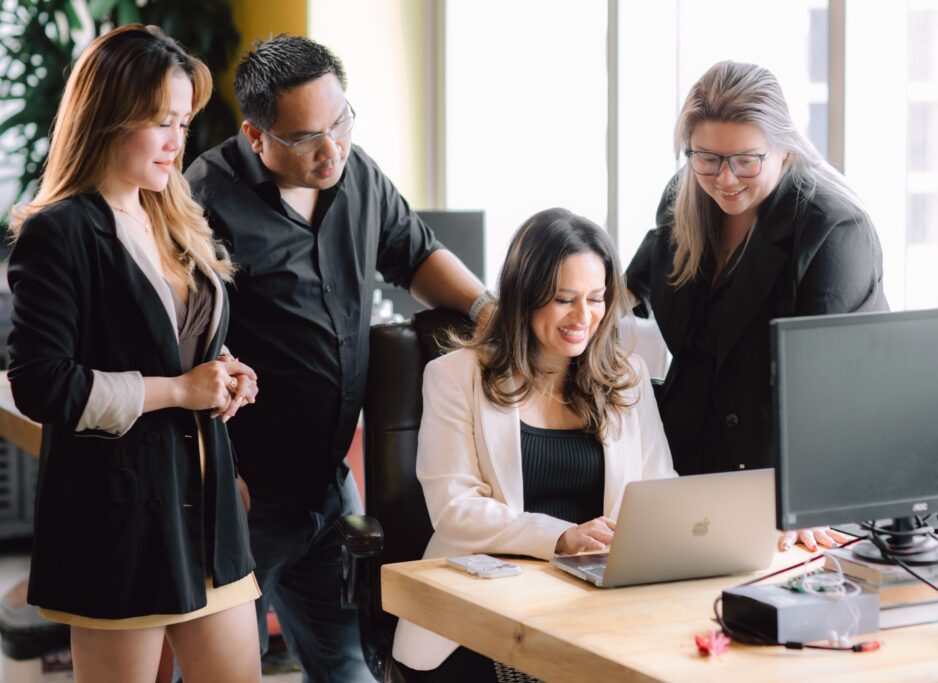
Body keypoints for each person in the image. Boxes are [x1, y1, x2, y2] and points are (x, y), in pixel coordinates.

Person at [185, 35, 491, 682]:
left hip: (328, 486)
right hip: (245, 498)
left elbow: (415, 255)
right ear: (257, 134)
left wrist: (489, 311)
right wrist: (219, 470)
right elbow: (183, 347)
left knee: (350, 667)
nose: (332, 150)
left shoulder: (358, 175)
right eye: (306, 138)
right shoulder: (205, 200)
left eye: (341, 122)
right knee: (215, 670)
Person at [6, 25, 262, 683]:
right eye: (160, 121)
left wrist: (222, 369)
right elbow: (42, 383)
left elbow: (177, 333)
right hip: (117, 518)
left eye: (182, 120)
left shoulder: (172, 213)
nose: (179, 140)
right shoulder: (58, 231)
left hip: (207, 509)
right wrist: (179, 390)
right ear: (109, 118)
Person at [391, 208, 678, 680]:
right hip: (481, 604)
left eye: (597, 298)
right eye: (564, 299)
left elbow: (659, 488)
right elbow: (454, 507)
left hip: (593, 604)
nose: (582, 318)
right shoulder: (455, 376)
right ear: (524, 296)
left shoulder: (627, 379)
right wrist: (560, 538)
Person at [625, 61, 888, 552]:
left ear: (784, 148)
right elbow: (640, 273)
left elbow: (835, 387)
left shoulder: (831, 229)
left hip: (776, 485)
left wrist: (802, 501)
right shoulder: (682, 199)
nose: (725, 179)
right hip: (681, 467)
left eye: (747, 160)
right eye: (706, 157)